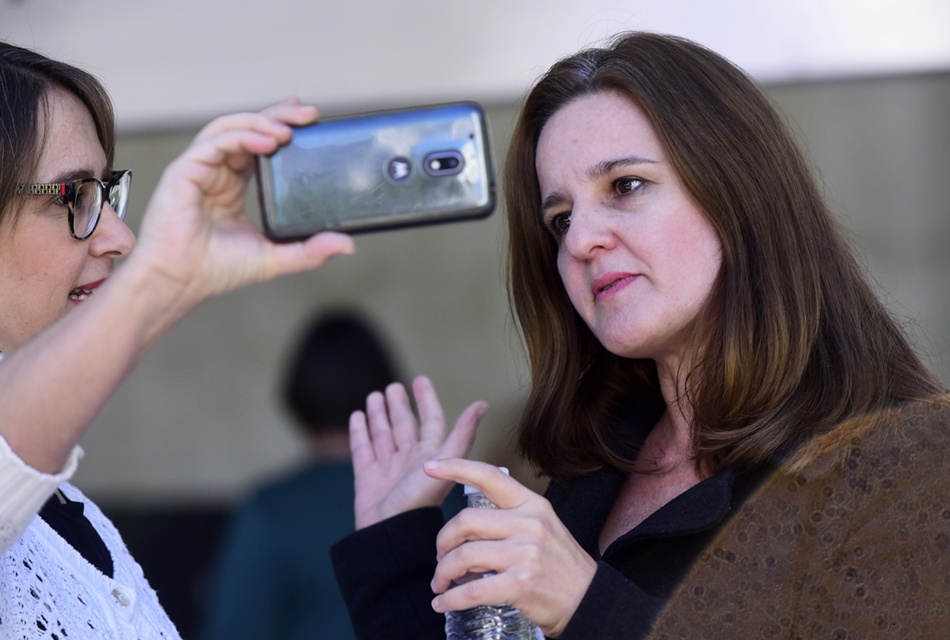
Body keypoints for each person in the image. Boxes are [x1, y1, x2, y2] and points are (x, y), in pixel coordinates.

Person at [329, 32, 950, 639]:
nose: (579, 240)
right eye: (561, 217)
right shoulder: (597, 464)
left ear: (739, 194)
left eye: (625, 186)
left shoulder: (908, 468)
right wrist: (395, 545)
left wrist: (587, 607)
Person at [0, 42, 354, 639]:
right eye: (75, 196)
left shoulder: (71, 514)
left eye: (106, 193)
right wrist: (162, 280)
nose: (120, 236)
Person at [200, 311, 400, 640]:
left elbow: (230, 632)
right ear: (387, 389)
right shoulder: (443, 497)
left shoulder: (270, 512)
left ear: (297, 395)